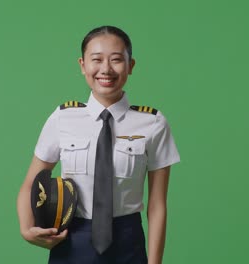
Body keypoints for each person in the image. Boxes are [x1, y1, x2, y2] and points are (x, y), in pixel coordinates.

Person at [17, 25, 180, 264]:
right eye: (97, 60)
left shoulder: (153, 123)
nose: (106, 69)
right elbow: (31, 183)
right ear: (82, 65)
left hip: (128, 240)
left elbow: (157, 205)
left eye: (116, 60)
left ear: (131, 65)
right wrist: (26, 228)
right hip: (72, 239)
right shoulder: (63, 118)